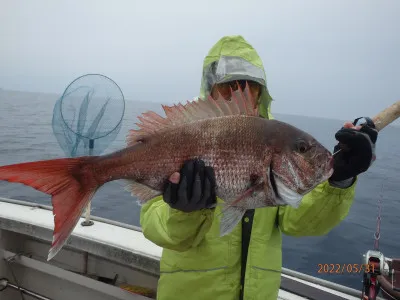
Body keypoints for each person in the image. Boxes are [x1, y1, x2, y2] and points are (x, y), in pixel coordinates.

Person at [140, 35, 378, 300]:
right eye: (229, 87)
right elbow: (153, 225)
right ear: (211, 92)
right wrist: (182, 213)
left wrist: (339, 181)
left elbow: (299, 223)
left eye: (249, 86)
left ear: (260, 93)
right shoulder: (184, 135)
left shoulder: (277, 145)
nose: (239, 94)